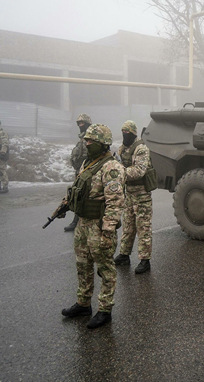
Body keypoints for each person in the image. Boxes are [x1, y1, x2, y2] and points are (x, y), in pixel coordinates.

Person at [60, 124, 125, 329]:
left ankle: (105, 310)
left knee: (105, 269)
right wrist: (65, 204)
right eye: (86, 140)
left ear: (102, 143)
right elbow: (77, 189)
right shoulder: (87, 163)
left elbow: (115, 203)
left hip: (99, 226)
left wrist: (107, 231)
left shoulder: (111, 167)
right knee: (83, 265)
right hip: (83, 224)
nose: (86, 144)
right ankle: (83, 303)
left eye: (91, 141)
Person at [113, 120, 154, 274]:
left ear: (134, 133)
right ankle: (124, 254)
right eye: (123, 132)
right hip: (129, 194)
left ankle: (145, 260)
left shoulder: (141, 149)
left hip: (142, 194)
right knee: (128, 226)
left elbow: (139, 171)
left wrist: (120, 171)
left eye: (128, 132)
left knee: (143, 228)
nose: (125, 135)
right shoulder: (123, 148)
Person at [65, 113, 92, 231]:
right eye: (79, 124)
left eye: (82, 123)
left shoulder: (90, 138)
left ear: (87, 124)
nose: (81, 125)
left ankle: (78, 221)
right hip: (80, 172)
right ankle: (78, 220)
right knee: (78, 195)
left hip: (87, 172)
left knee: (83, 196)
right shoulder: (82, 138)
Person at [0, 120, 9, 194]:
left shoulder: (3, 133)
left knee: (2, 171)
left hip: (1, 156)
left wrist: (2, 153)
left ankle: (5, 187)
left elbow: (5, 144)